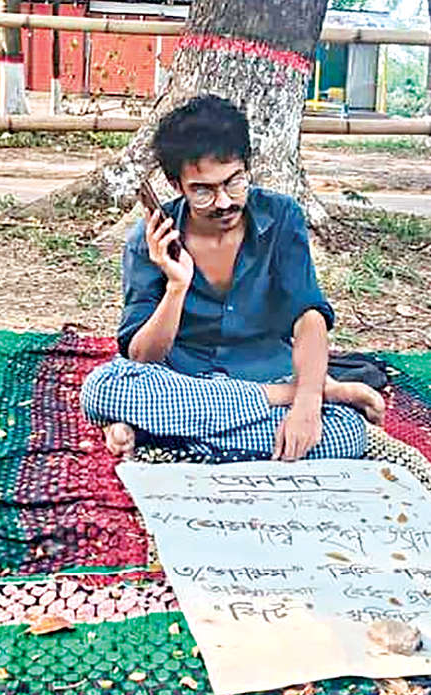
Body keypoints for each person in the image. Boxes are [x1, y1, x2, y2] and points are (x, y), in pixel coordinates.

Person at [80, 95, 385, 462]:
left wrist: (307, 406)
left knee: (345, 435)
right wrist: (176, 287)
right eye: (203, 191)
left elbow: (309, 315)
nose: (224, 202)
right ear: (177, 186)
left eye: (234, 182)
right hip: (183, 380)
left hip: (261, 373)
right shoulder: (149, 242)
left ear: (247, 167)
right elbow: (142, 358)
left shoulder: (282, 217)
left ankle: (161, 433)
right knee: (103, 387)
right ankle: (296, 398)